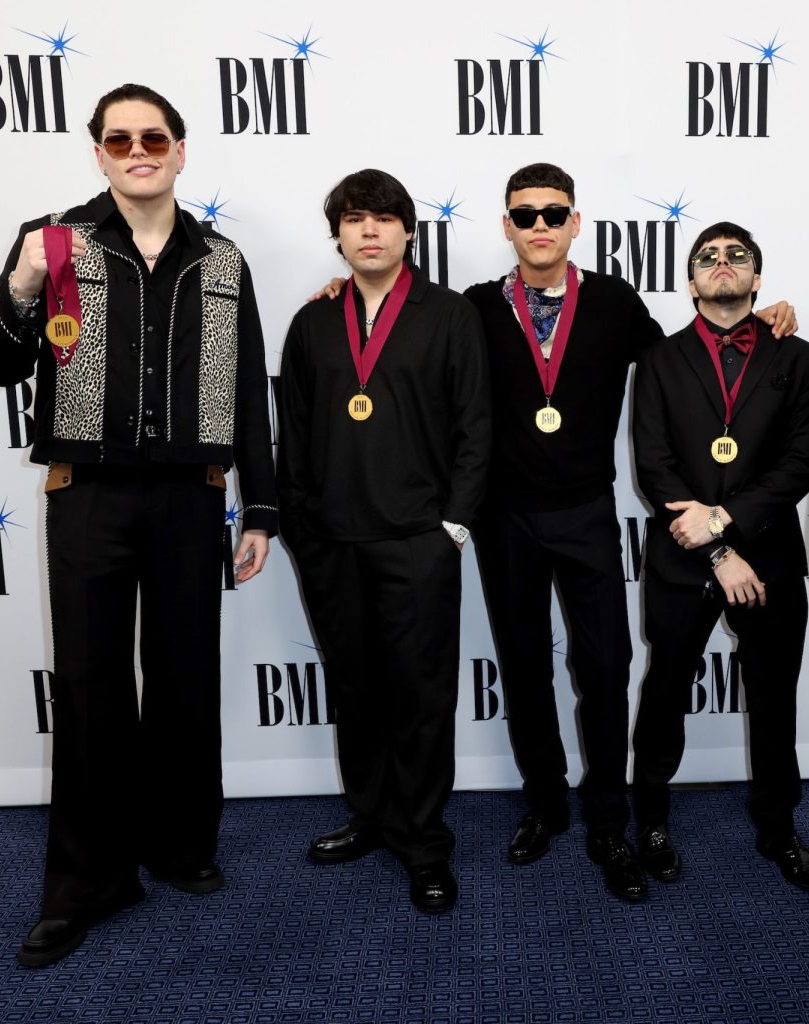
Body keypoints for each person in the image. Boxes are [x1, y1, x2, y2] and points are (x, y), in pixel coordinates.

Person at [0, 83, 278, 967]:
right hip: (87, 493)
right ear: (98, 153)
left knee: (185, 681)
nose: (137, 150)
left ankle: (181, 848)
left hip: (188, 496)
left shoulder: (222, 259)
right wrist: (20, 287)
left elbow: (250, 391)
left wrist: (259, 507)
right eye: (119, 138)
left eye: (154, 136)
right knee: (93, 690)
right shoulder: (56, 242)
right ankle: (85, 883)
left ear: (181, 151)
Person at [461, 164, 799, 903]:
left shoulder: (613, 301)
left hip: (586, 514)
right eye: (526, 214)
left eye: (555, 213)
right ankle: (546, 806)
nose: (541, 225)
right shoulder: (478, 307)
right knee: (522, 668)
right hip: (505, 517)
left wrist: (760, 319)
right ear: (507, 225)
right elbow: (420, 352)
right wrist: (340, 293)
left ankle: (608, 822)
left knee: (605, 669)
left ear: (576, 222)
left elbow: (690, 358)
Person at [276, 169, 490, 915]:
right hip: (333, 542)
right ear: (338, 233)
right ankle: (371, 816)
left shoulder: (450, 315)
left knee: (422, 698)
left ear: (408, 231)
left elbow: (476, 429)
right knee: (356, 689)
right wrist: (303, 526)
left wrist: (453, 527)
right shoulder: (311, 324)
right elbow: (294, 432)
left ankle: (425, 842)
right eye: (355, 218)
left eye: (384, 218)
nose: (369, 230)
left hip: (417, 543)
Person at [629, 222, 809, 893]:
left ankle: (779, 826)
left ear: (757, 279)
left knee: (775, 699)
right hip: (684, 557)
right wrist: (716, 546)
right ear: (690, 282)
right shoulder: (658, 359)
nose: (722, 264)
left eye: (737, 256)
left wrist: (728, 521)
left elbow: (801, 462)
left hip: (768, 555)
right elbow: (652, 464)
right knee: (664, 692)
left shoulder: (799, 359)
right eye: (708, 258)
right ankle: (651, 818)